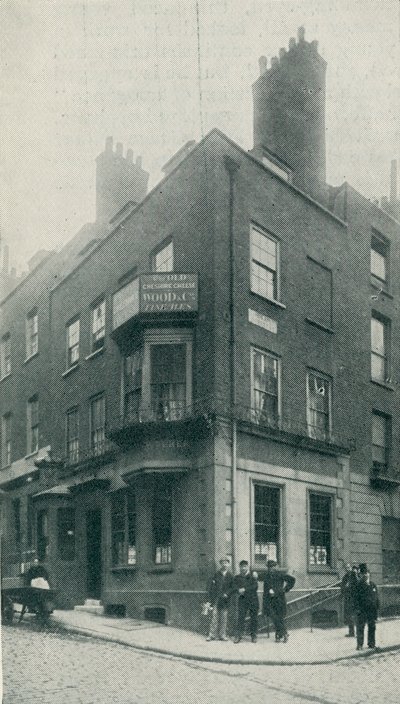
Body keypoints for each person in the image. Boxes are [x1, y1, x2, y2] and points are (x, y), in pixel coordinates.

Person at [262, 559, 295, 643]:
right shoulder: (266, 576)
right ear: (268, 568)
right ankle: (284, 633)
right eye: (269, 567)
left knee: (279, 618)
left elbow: (292, 580)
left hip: (279, 600)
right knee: (274, 617)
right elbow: (257, 576)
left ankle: (279, 635)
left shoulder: (280, 574)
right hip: (269, 601)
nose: (271, 569)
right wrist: (254, 575)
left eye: (273, 566)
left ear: (276, 567)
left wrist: (285, 590)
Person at [206, 557, 234, 641]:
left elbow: (232, 587)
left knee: (224, 618)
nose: (224, 564)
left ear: (228, 564)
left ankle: (222, 635)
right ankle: (212, 635)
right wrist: (212, 597)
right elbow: (212, 586)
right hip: (217, 599)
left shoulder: (230, 575)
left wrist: (227, 593)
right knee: (214, 617)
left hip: (225, 600)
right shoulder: (216, 574)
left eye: (226, 563)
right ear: (220, 564)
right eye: (223, 563)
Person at [233, 560, 259, 643]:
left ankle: (253, 635)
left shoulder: (253, 576)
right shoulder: (237, 577)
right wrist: (238, 590)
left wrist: (245, 589)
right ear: (239, 567)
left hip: (253, 599)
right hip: (242, 599)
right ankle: (238, 635)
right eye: (241, 566)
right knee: (241, 617)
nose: (243, 568)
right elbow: (234, 586)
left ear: (247, 567)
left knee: (254, 618)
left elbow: (255, 586)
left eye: (245, 566)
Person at [354, 568, 379, 650]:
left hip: (372, 610)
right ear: (361, 575)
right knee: (360, 627)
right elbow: (355, 598)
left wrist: (377, 607)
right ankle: (360, 645)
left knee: (372, 626)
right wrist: (357, 608)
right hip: (362, 610)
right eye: (364, 573)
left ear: (369, 574)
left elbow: (376, 597)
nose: (366, 575)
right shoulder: (358, 586)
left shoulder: (373, 585)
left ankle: (371, 644)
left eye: (367, 573)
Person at [341, 564, 358, 637]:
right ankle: (351, 632)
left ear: (351, 568)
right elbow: (342, 588)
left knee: (355, 616)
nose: (347, 569)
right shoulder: (345, 577)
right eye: (346, 568)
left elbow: (358, 586)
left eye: (348, 567)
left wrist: (350, 586)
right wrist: (345, 587)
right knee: (348, 616)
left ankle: (358, 632)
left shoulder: (354, 576)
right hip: (348, 599)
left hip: (354, 599)